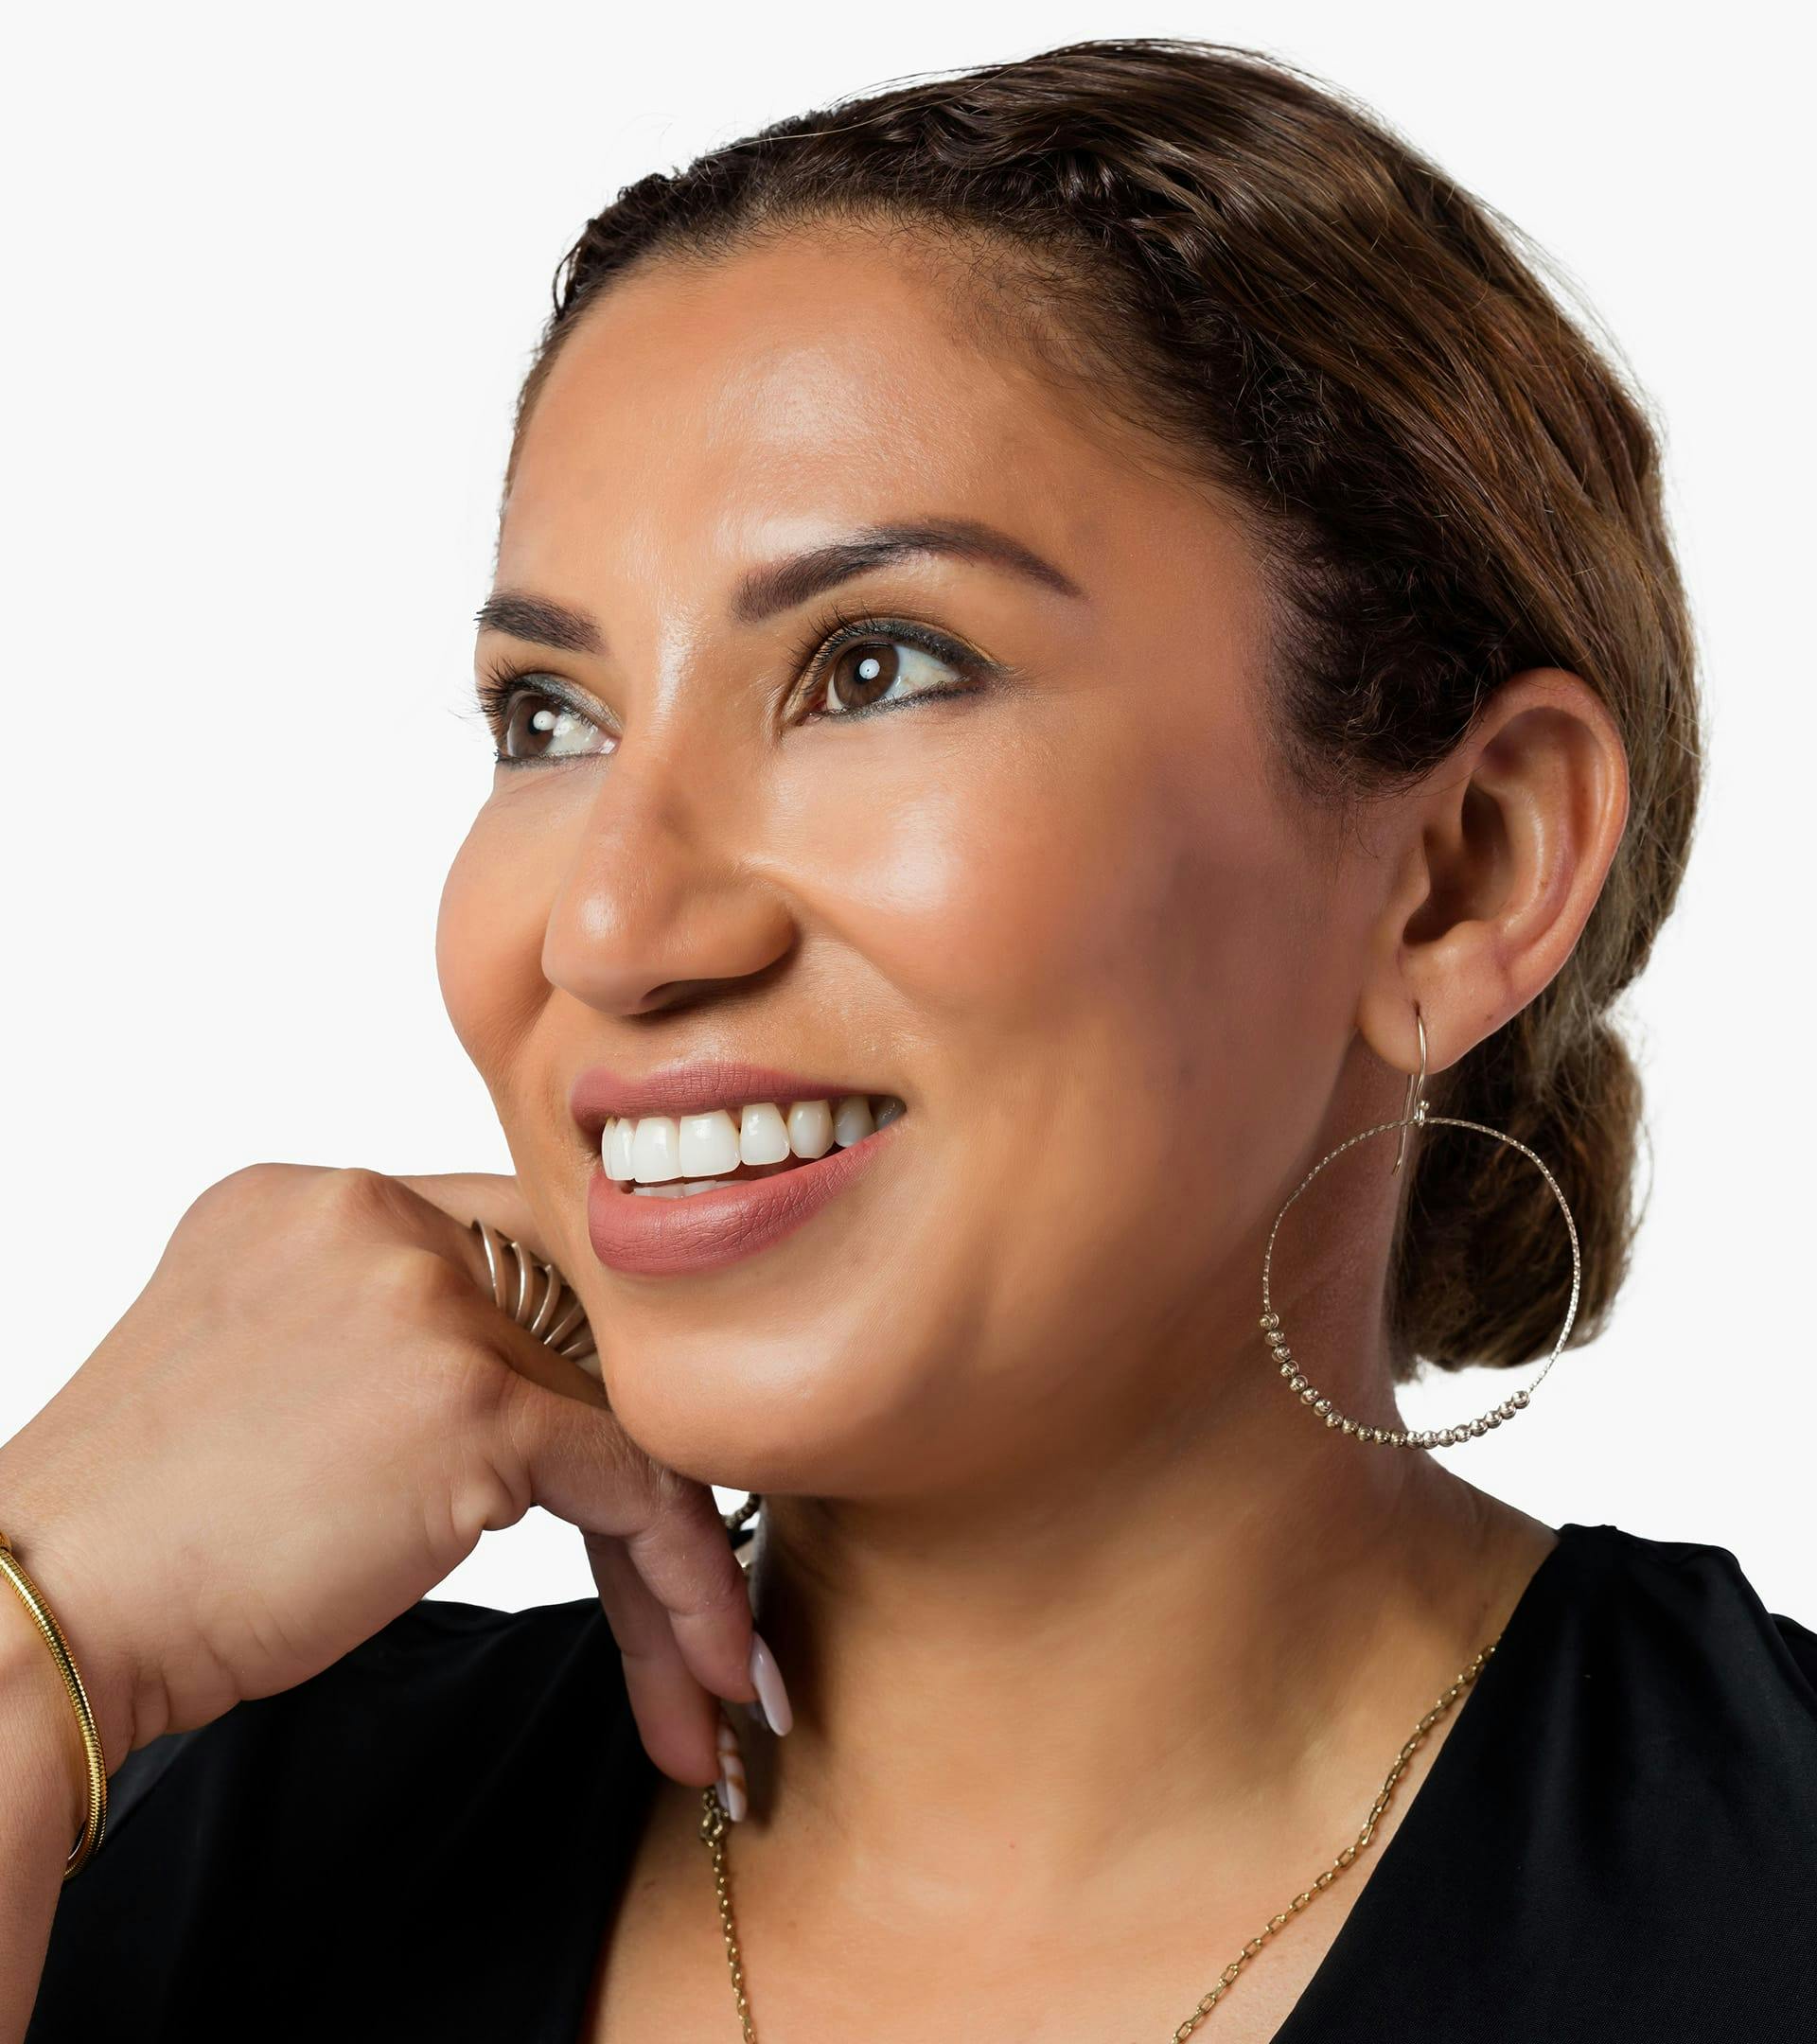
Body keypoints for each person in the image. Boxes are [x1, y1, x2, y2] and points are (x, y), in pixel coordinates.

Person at [5, 34, 1812, 2044]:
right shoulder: (138, 1844)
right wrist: (27, 1632)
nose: (609, 927)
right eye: (550, 719)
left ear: (1465, 872)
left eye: (875, 669)